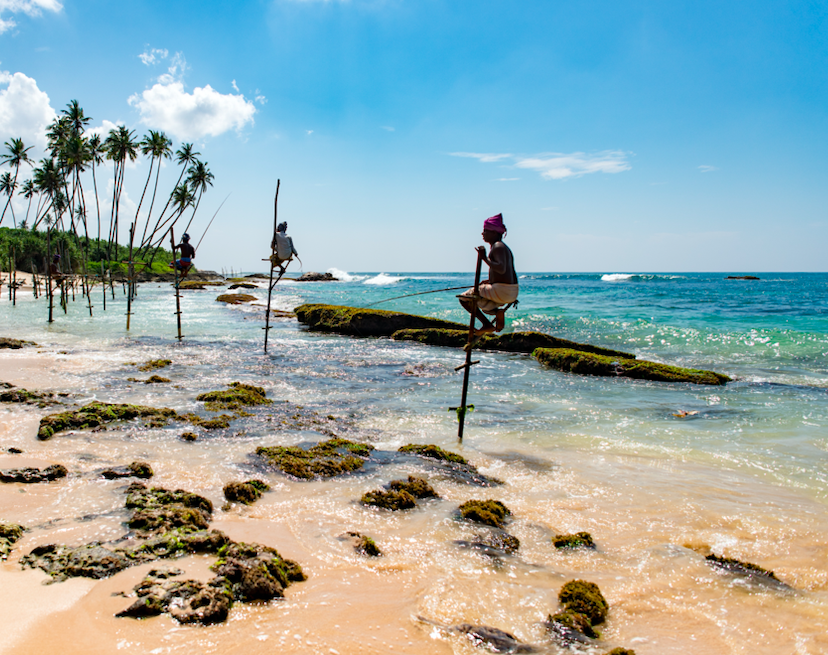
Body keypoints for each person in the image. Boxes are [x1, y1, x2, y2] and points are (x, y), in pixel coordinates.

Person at [459, 213, 518, 335]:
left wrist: (484, 258)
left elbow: (501, 268)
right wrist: (490, 281)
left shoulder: (497, 246)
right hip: (511, 291)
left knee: (464, 298)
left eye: (485, 231)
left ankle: (486, 324)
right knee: (483, 304)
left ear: (494, 233)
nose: (483, 233)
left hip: (501, 290)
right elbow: (506, 272)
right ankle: (497, 312)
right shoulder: (504, 248)